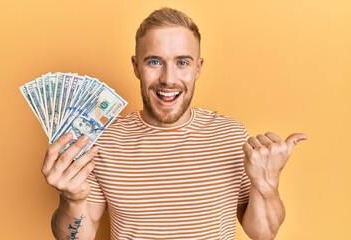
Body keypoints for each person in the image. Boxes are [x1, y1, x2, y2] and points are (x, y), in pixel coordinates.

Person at [42, 7, 307, 240]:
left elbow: (264, 234)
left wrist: (267, 185)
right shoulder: (105, 141)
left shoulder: (230, 134)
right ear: (136, 67)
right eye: (155, 62)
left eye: (182, 62)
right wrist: (72, 199)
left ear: (198, 68)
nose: (168, 79)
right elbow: (76, 237)